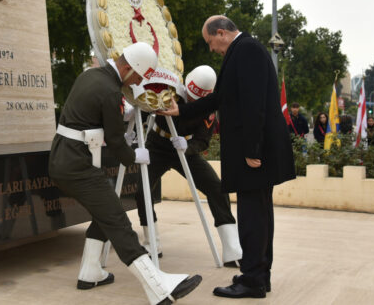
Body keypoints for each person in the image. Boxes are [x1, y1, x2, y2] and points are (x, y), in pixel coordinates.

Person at [49, 42, 202, 305]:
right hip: (77, 164)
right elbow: (116, 140)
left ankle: (91, 272)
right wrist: (133, 156)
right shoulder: (109, 91)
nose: (138, 83)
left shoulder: (90, 75)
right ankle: (157, 286)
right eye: (139, 77)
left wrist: (122, 115)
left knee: (106, 211)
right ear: (129, 68)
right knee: (117, 219)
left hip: (65, 158)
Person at [159, 16, 295, 299]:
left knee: (252, 217)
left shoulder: (246, 50)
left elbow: (254, 103)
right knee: (258, 214)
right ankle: (257, 275)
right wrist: (180, 111)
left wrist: (252, 150)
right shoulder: (244, 50)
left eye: (210, 42)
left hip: (255, 153)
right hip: (255, 150)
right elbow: (220, 98)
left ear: (221, 33)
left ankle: (253, 280)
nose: (211, 49)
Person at [133, 65, 242, 267]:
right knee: (142, 191)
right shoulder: (169, 89)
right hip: (157, 146)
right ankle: (151, 244)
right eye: (189, 96)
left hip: (185, 150)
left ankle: (232, 249)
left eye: (196, 100)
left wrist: (188, 147)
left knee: (217, 188)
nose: (191, 101)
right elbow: (146, 105)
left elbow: (203, 140)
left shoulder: (209, 108)